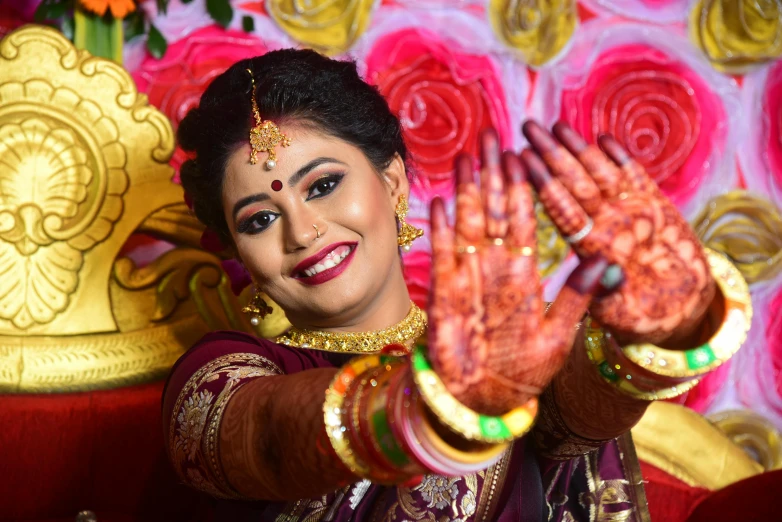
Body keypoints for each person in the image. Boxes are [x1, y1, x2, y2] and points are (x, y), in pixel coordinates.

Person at [163, 49, 750, 521]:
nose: (303, 230)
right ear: (239, 250)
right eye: (259, 220)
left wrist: (679, 329)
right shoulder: (219, 378)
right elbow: (268, 437)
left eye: (321, 185)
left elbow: (576, 407)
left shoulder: (510, 344)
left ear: (392, 182)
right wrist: (431, 406)